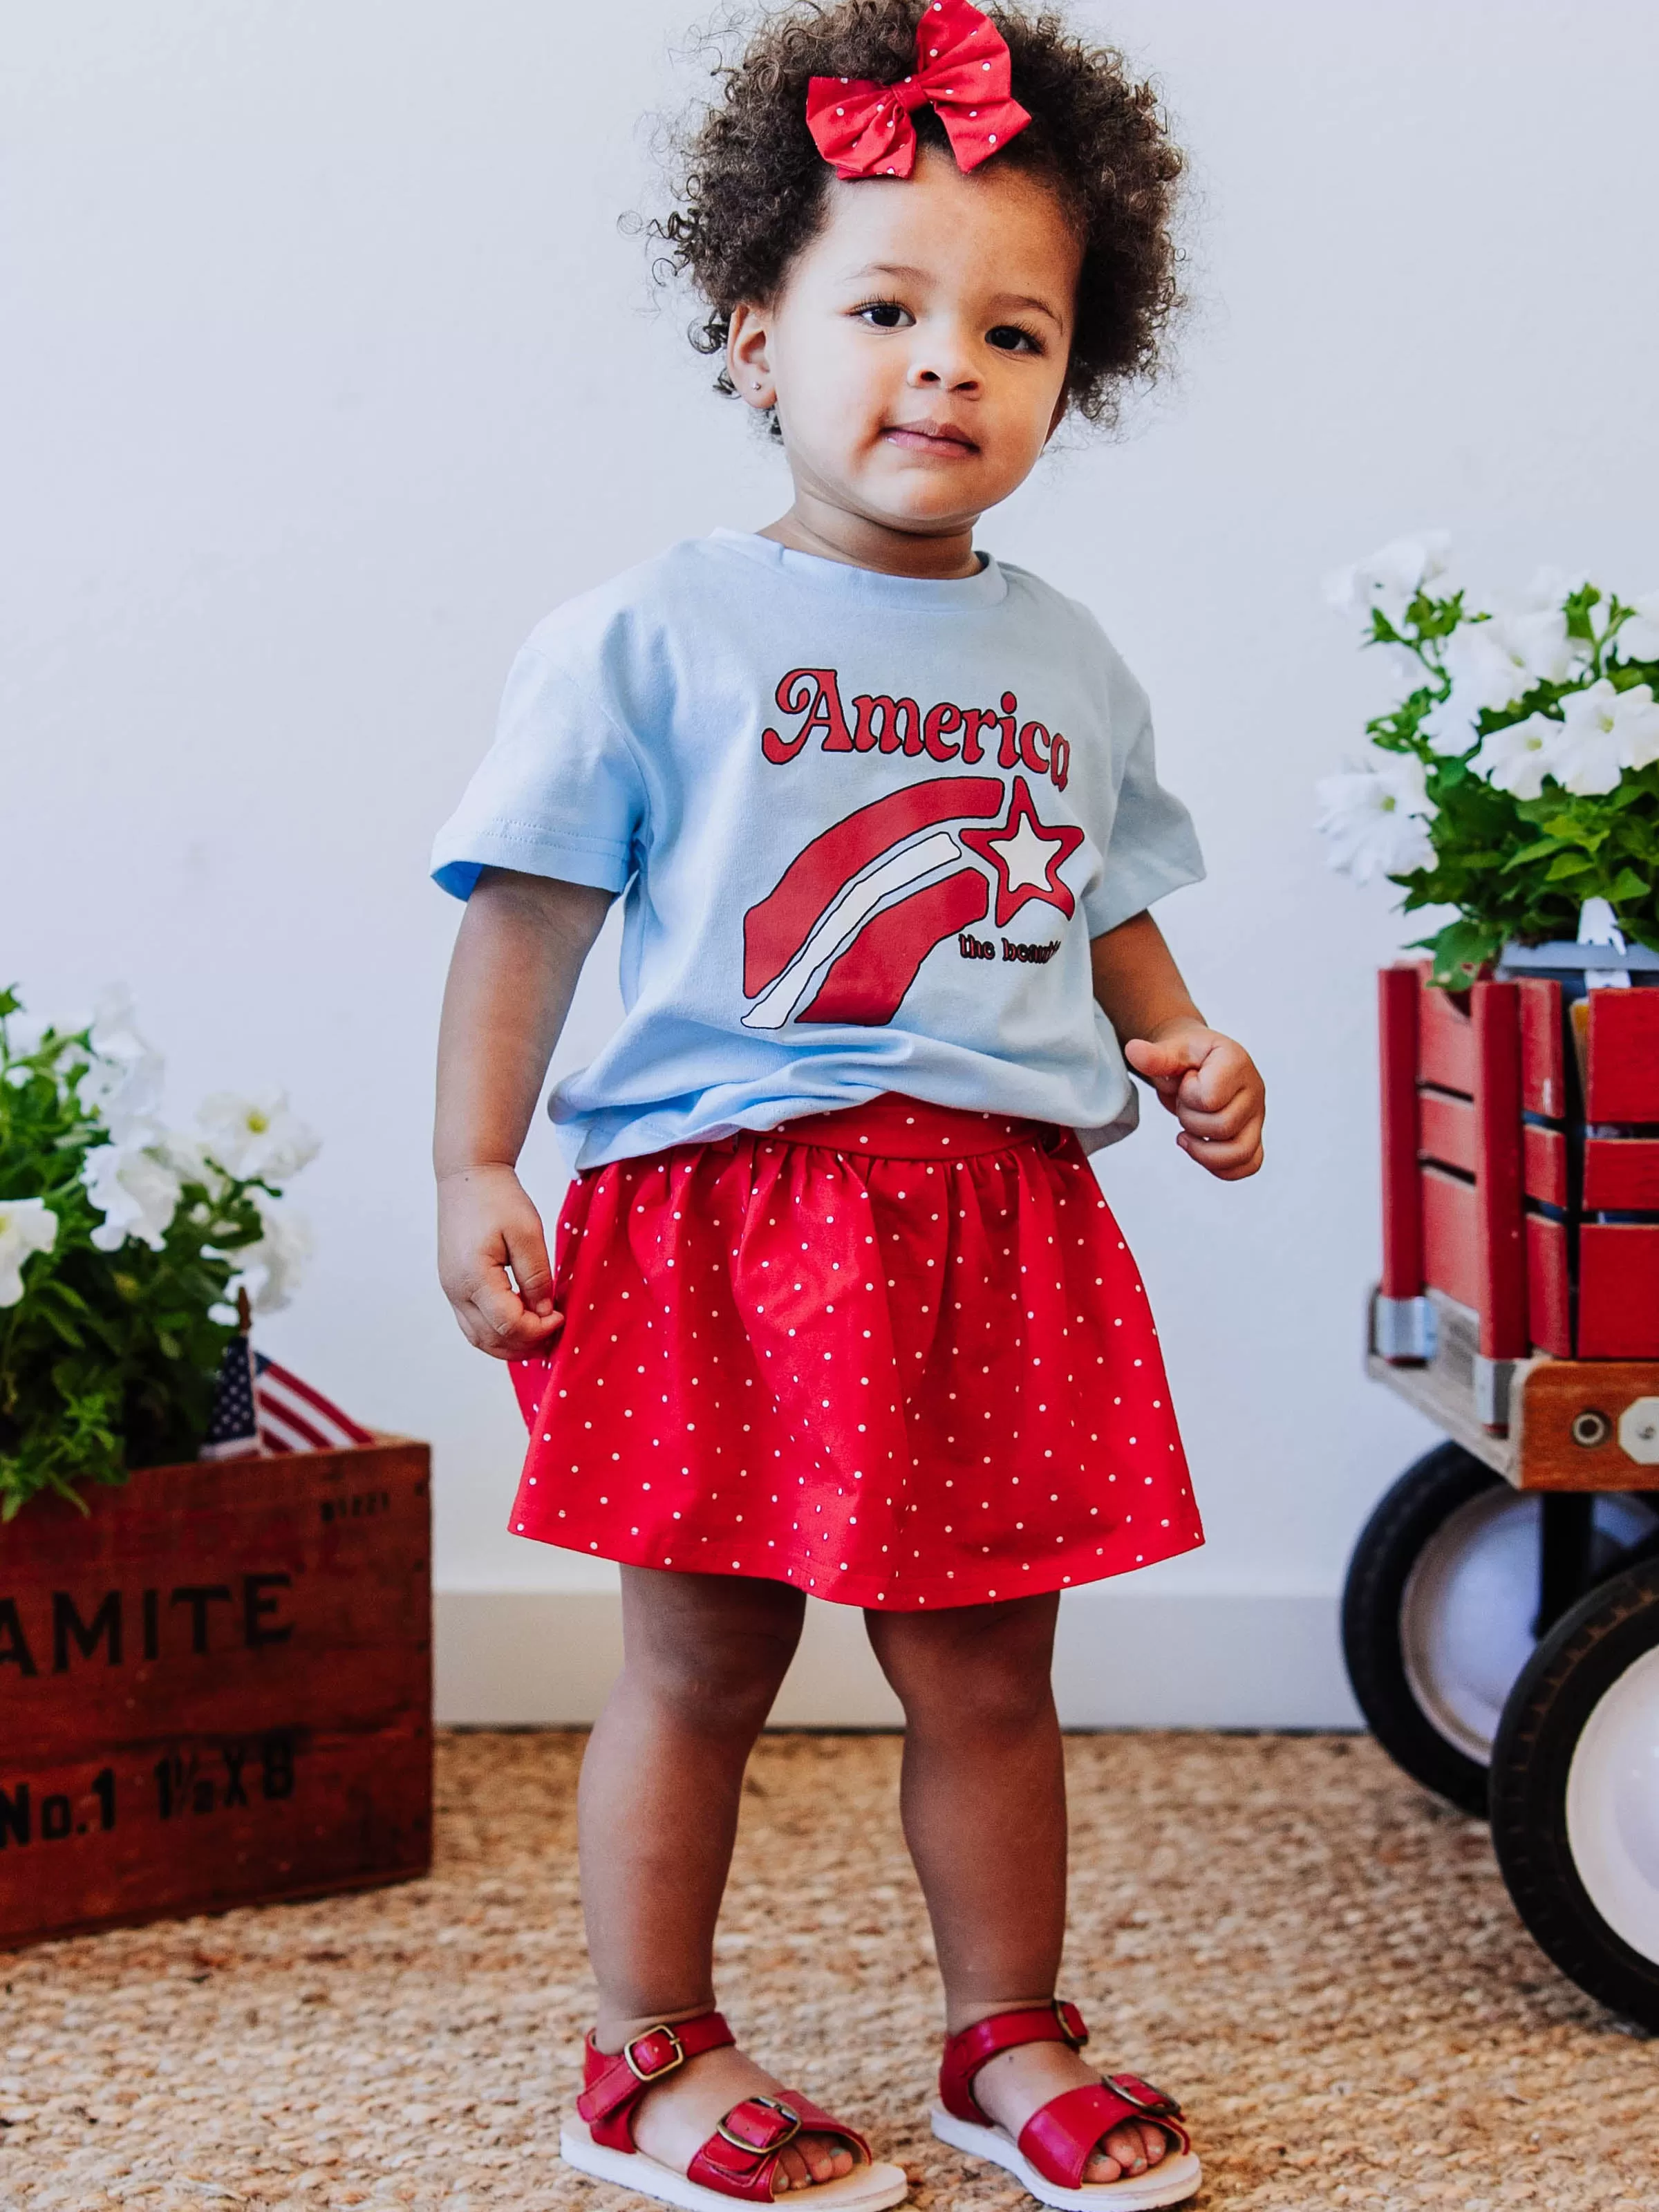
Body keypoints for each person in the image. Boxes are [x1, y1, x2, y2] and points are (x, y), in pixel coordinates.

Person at [431, 4, 1264, 2204]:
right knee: (700, 1655)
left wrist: (1179, 1042)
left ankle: (1005, 2035)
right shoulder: (653, 631)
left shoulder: (1068, 655)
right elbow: (526, 919)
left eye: (1015, 331)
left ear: (1074, 376)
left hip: (992, 1220)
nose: (946, 367)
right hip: (725, 1210)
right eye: (885, 308)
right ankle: (646, 2049)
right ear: (751, 333)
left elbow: (1098, 895)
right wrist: (471, 1162)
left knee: (991, 1668)